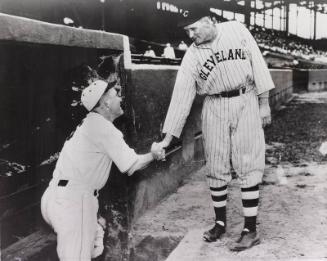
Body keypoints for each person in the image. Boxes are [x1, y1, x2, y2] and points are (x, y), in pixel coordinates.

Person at [157, 6, 275, 251]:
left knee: (248, 163)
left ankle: (250, 229)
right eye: (187, 30)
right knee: (216, 164)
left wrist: (264, 104)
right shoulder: (191, 55)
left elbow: (258, 65)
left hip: (246, 100)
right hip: (214, 105)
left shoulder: (236, 29)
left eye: (193, 28)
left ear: (208, 20)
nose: (190, 34)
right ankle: (220, 223)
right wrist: (168, 138)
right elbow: (182, 96)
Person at [41, 68, 165, 260]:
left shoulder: (89, 122)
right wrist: (154, 154)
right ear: (106, 103)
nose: (120, 98)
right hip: (74, 201)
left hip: (55, 197)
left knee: (95, 241)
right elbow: (131, 166)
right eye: (115, 94)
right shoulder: (103, 128)